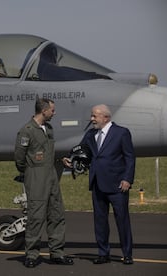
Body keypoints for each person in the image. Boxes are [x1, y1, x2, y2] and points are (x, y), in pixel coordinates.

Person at [63, 104, 135, 265]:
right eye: (92, 116)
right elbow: (80, 150)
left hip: (118, 185)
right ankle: (103, 253)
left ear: (106, 117)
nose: (92, 119)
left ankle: (127, 254)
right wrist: (69, 158)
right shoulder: (90, 134)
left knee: (122, 220)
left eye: (95, 116)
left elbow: (130, 158)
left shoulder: (121, 133)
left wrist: (127, 179)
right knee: (100, 222)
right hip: (97, 184)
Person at [15, 98, 73, 268]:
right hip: (36, 177)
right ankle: (32, 255)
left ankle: (57, 253)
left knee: (56, 215)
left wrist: (60, 159)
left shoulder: (49, 129)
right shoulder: (26, 131)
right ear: (44, 111)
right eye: (52, 110)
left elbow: (47, 152)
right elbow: (19, 158)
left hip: (52, 177)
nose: (54, 113)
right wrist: (32, 173)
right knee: (36, 217)